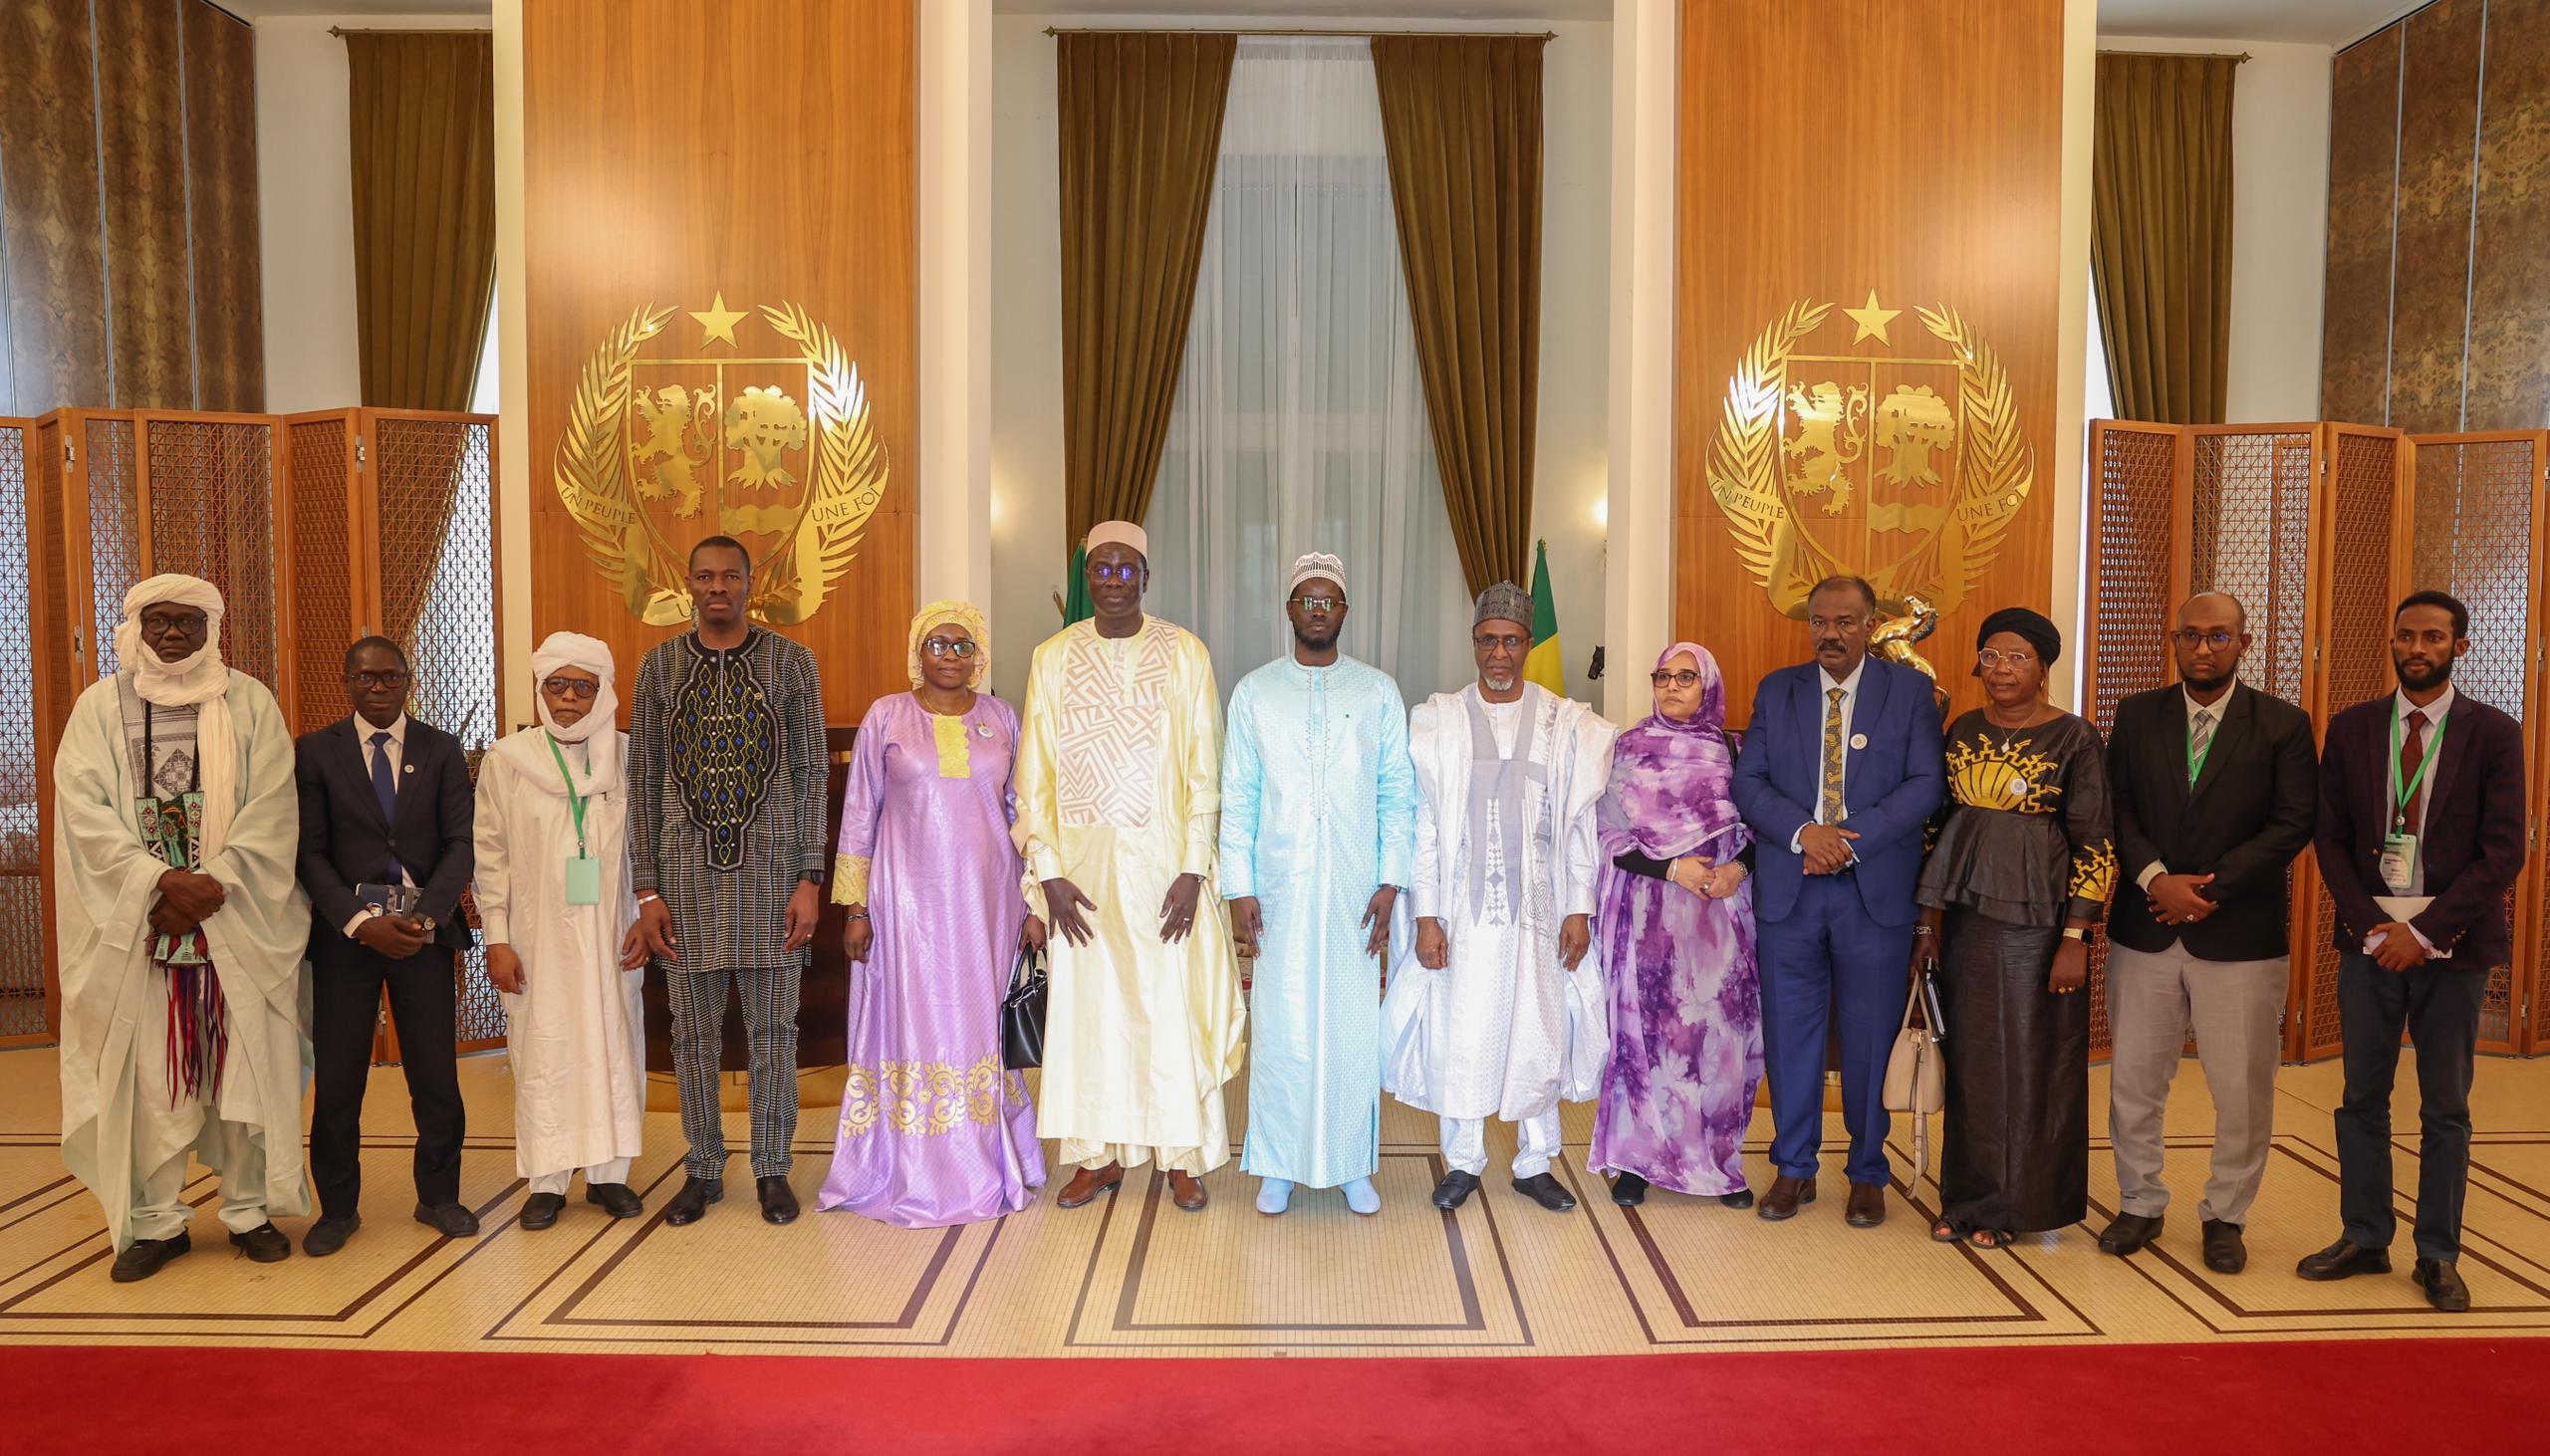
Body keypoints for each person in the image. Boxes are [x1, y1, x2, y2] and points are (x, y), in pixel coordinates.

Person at [54, 576, 311, 1281]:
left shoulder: (249, 702)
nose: (173, 635)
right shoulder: (98, 709)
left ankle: (248, 1211)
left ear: (212, 629)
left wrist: (213, 885)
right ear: (136, 627)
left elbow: (272, 809)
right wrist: (159, 884)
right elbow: (84, 814)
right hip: (141, 924)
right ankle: (158, 1224)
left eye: (188, 623)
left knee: (246, 1068)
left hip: (234, 917)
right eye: (159, 622)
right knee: (151, 1082)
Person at [2300, 591, 2527, 1313]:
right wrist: (2373, 926)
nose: (2416, 647)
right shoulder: (2354, 727)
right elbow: (2328, 837)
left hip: (2453, 946)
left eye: (2432, 636)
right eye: (2405, 635)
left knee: (2445, 1106)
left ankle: (2437, 1253)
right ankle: (2365, 1235)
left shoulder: (2494, 732)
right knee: (2361, 1096)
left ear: (2459, 646)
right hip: (2368, 941)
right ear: (2392, 642)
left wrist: (2424, 932)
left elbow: (2503, 851)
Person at [1014, 521, 1244, 1213]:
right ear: (1088, 578)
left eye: (1126, 568)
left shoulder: (1185, 655)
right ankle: (1097, 1157)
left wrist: (1193, 868)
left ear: (1146, 576)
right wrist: (1048, 872)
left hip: (1164, 872)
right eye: (1101, 568)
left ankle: (1181, 1156)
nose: (1113, 579)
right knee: (1092, 1016)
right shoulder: (1052, 657)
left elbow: (1207, 769)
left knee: (1168, 1008)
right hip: (1079, 879)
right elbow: (1035, 776)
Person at [2099, 593, 2316, 1274]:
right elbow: (2117, 806)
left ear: (2243, 644)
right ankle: (2139, 1201)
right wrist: (2157, 879)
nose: (2202, 648)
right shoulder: (2136, 717)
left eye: (2217, 637)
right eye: (2189, 636)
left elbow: (2292, 824)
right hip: (2146, 926)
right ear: (2174, 641)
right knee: (2135, 1078)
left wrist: (2209, 890)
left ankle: (2227, 1214)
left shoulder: (2282, 724)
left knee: (2242, 1087)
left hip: (2240, 934)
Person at [1390, 581, 1615, 1215]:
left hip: (1542, 913)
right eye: (1488, 640)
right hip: (1462, 913)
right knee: (1464, 1030)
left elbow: (1578, 826)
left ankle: (1534, 1162)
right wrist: (1426, 915)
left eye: (1511, 641)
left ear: (1526, 645)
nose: (1499, 653)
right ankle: (1462, 1161)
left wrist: (1579, 906)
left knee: (1538, 1030)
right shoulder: (1440, 721)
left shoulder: (1565, 723)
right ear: (1474, 643)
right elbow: (1427, 826)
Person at [820, 603, 1046, 1227]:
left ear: (980, 654)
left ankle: (987, 1158)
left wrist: (1033, 899)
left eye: (963, 644)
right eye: (937, 644)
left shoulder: (1002, 717)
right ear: (916, 652)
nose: (950, 655)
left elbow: (1022, 814)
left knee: (978, 1022)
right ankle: (907, 1165)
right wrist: (856, 907)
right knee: (913, 1018)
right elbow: (860, 812)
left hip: (988, 905)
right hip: (905, 905)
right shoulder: (887, 715)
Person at [628, 536, 830, 1227]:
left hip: (774, 877)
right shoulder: (658, 669)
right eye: (706, 577)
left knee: (776, 1030)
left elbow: (811, 775)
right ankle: (705, 1168)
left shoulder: (791, 663)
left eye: (731, 577)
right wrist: (647, 891)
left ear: (750, 585)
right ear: (688, 584)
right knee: (693, 1037)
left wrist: (810, 878)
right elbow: (645, 781)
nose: (718, 587)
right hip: (684, 884)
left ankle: (772, 1167)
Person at [1731, 576, 1944, 1228]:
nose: (1831, 632)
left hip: (1872, 892)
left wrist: (1849, 841)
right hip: (1790, 894)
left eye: (1846, 621)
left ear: (1871, 623)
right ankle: (1793, 1168)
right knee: (1790, 1038)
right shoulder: (1778, 689)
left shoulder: (1908, 693)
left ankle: (1866, 1172)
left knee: (1870, 1038)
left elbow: (1925, 785)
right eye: (1820, 621)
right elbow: (1749, 781)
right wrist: (1805, 834)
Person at [1912, 608, 2115, 1249]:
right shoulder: (1963, 728)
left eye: (2017, 657)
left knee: (2029, 1064)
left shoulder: (2075, 738)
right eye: (1991, 655)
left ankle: (2017, 1208)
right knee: (1972, 1062)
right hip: (1967, 922)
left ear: (2043, 667)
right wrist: (1926, 924)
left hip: (2039, 927)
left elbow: (2096, 843)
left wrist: (2077, 939)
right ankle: (1966, 1201)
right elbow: (1936, 829)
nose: (2001, 668)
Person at [1221, 554, 1416, 1216]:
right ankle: (1277, 1163)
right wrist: (1239, 886)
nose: (1317, 610)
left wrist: (1392, 881)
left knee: (1351, 1027)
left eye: (1329, 600)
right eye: (1306, 599)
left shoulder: (1378, 691)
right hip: (1277, 887)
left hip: (1357, 891)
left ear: (1344, 612)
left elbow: (1397, 794)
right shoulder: (1254, 692)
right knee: (1281, 1026)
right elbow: (1239, 796)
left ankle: (1350, 1165)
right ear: (1288, 610)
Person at [296, 636, 478, 1255]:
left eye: (389, 677)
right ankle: (338, 1210)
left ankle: (440, 1196)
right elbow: (309, 853)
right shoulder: (316, 752)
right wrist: (356, 919)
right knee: (340, 1079)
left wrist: (427, 918)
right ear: (345, 681)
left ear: (408, 679)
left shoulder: (441, 749)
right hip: (346, 940)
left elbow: (461, 844)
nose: (377, 687)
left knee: (434, 1074)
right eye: (364, 678)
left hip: (423, 938)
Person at [474, 632, 647, 1229]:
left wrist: (645, 916)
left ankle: (608, 1175)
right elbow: (488, 854)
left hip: (613, 929)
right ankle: (547, 1179)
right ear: (540, 689)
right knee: (543, 1047)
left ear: (604, 692)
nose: (569, 698)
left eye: (583, 686)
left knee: (613, 1042)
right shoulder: (507, 760)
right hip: (534, 935)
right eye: (557, 685)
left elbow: (648, 849)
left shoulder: (627, 757)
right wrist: (495, 936)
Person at [1589, 642, 1762, 1210]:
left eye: (1686, 677)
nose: (1671, 686)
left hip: (1717, 919)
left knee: (1716, 1042)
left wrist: (1736, 870)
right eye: (1663, 675)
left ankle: (1718, 1163)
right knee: (1644, 1038)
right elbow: (1608, 831)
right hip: (1647, 918)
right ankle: (1638, 1164)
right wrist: (1669, 867)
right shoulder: (1629, 747)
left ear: (1708, 683)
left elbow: (1760, 826)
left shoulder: (1736, 751)